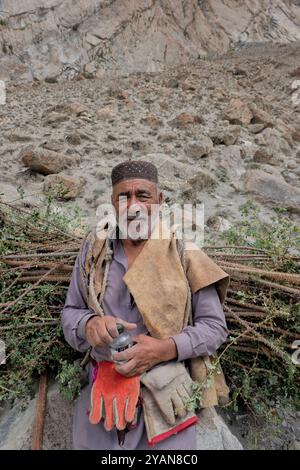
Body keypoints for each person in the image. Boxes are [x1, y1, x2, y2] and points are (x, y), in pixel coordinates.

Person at [61, 160, 230, 450]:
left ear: (160, 200)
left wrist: (164, 349)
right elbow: (70, 313)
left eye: (143, 195)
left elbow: (215, 328)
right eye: (123, 197)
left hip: (167, 402)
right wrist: (89, 326)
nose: (134, 205)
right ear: (113, 204)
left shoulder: (184, 251)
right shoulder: (95, 249)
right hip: (103, 396)